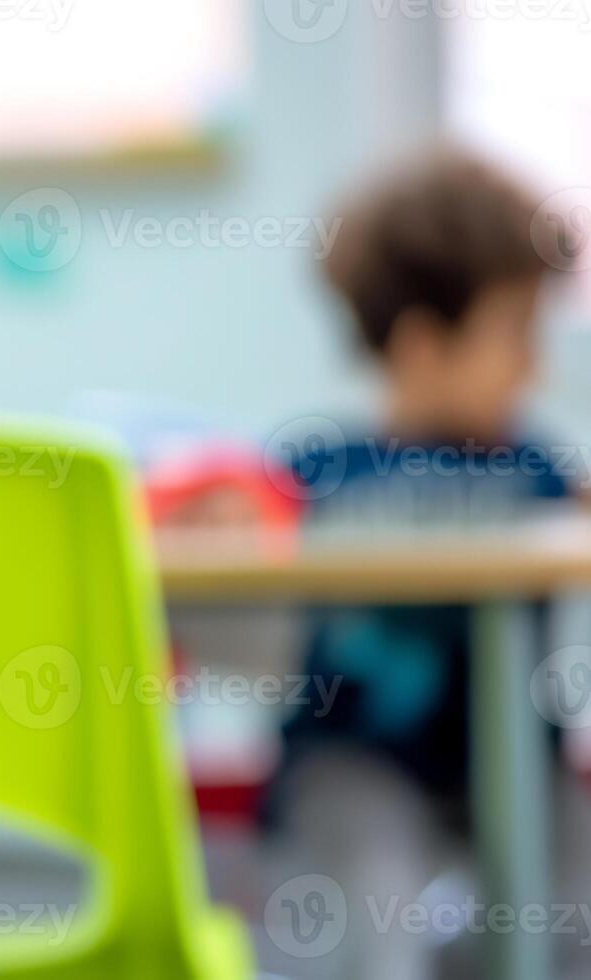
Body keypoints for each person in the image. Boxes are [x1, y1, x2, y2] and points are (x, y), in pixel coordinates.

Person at [267, 150, 591, 979]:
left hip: (516, 764)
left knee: (569, 911)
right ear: (422, 346)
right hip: (355, 760)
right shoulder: (320, 472)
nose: (533, 365)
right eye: (515, 332)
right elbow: (244, 551)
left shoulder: (538, 471)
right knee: (377, 909)